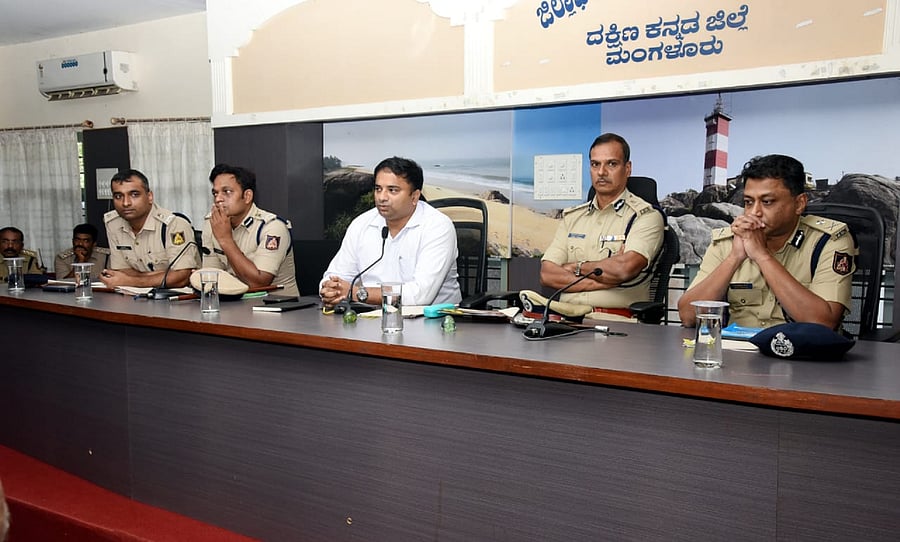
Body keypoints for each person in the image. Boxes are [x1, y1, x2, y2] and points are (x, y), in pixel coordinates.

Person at [678, 154, 856, 330]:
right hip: (738, 354)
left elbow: (823, 323)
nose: (754, 212)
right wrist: (734, 258)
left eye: (767, 202)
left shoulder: (828, 241)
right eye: (748, 202)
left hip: (803, 354)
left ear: (800, 203)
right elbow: (688, 316)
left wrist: (762, 255)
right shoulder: (728, 241)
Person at [538, 133, 665, 318]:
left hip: (615, 322)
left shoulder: (645, 217)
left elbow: (623, 269)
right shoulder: (572, 217)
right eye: (595, 164)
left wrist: (575, 267)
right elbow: (547, 274)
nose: (601, 172)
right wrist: (605, 280)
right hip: (564, 319)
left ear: (627, 169)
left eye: (611, 164)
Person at [319, 156, 461, 307]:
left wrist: (357, 293)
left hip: (431, 321)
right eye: (378, 189)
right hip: (368, 316)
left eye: (392, 190)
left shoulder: (437, 226)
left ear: (415, 196)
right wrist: (331, 289)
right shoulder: (362, 224)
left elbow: (419, 296)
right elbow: (335, 275)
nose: (382, 197)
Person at [201, 164, 299, 297]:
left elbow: (258, 284)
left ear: (247, 196)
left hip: (274, 308)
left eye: (227, 192)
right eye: (215, 193)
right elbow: (210, 279)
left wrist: (225, 239)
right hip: (232, 305)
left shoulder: (272, 227)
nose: (218, 199)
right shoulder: (212, 223)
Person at [101, 169, 200, 288]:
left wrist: (131, 281)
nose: (126, 203)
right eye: (118, 196)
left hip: (178, 300)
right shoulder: (113, 223)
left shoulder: (174, 225)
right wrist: (162, 276)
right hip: (135, 298)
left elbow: (182, 277)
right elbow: (120, 271)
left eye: (134, 194)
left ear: (149, 196)